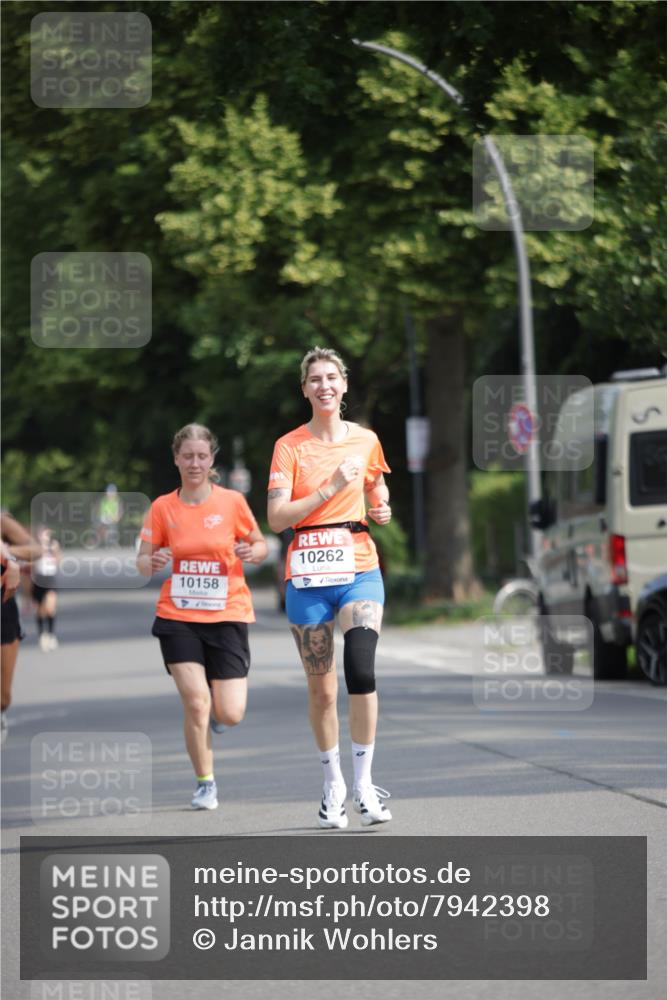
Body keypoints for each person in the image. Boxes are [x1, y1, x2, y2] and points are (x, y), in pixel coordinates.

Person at [267, 347, 393, 829]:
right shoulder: (289, 447)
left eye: (332, 377)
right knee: (321, 690)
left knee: (361, 670)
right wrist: (326, 489)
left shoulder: (366, 440)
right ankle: (333, 784)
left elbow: (377, 488)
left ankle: (364, 785)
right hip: (309, 576)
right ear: (305, 389)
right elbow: (277, 517)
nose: (324, 386)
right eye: (314, 379)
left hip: (359, 563)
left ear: (343, 386)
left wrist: (380, 506)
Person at [137, 424, 267, 811]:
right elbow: (142, 561)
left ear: (212, 459)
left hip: (227, 612)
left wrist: (253, 554)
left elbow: (258, 543)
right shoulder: (163, 507)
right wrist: (153, 560)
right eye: (187, 456)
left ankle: (216, 716)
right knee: (196, 702)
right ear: (176, 458)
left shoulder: (231, 502)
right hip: (178, 615)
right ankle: (205, 782)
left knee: (230, 712)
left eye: (202, 456)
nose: (195, 463)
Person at [1, 512, 42, 733]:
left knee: (3, 697)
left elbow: (36, 549)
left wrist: (8, 553)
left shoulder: (2, 523)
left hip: (3, 609)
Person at [32, 526, 62, 651]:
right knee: (41, 609)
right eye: (41, 534)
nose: (44, 537)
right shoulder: (34, 547)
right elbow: (30, 564)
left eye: (46, 534)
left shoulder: (53, 546)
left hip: (50, 579)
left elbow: (59, 561)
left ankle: (51, 634)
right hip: (38, 579)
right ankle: (42, 635)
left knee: (50, 608)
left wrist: (54, 551)